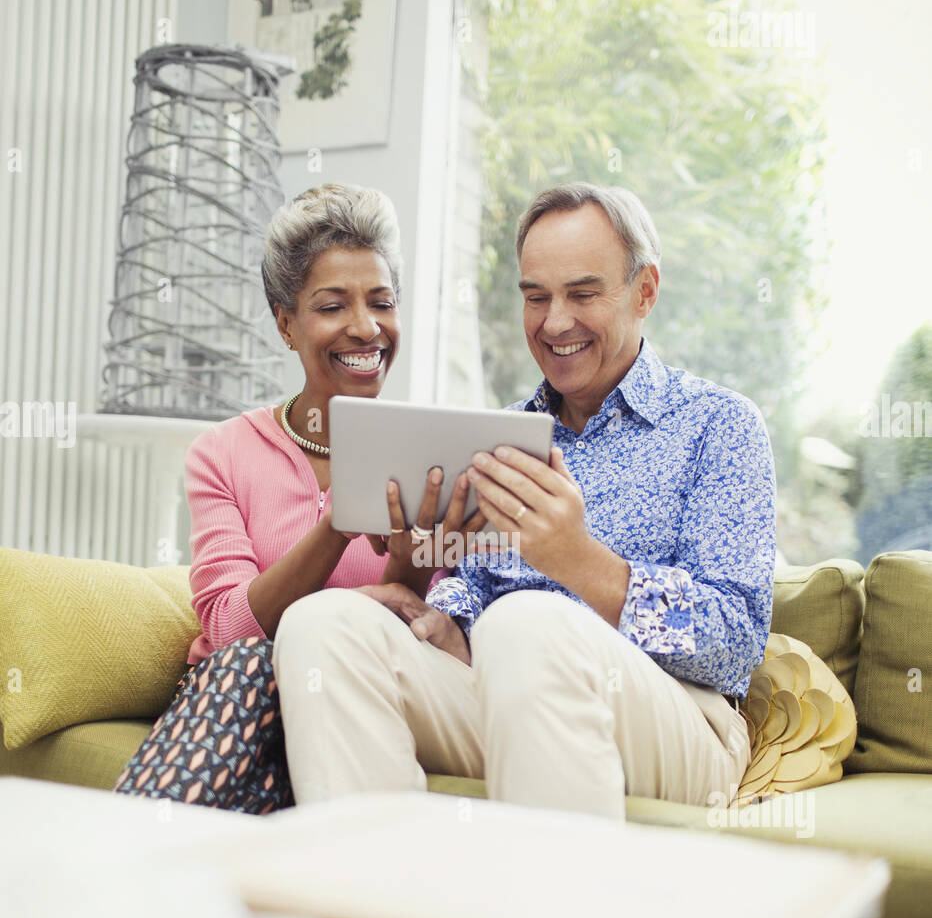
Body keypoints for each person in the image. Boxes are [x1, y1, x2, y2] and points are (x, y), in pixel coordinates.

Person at [270, 183, 777, 820]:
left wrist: (583, 564)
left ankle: (548, 917)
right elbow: (475, 583)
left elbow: (736, 643)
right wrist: (446, 618)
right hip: (509, 692)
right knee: (324, 624)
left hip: (680, 716)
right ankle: (380, 901)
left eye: (583, 293)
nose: (555, 321)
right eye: (536, 297)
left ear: (644, 291)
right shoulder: (505, 433)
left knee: (527, 620)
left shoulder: (719, 425)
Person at [113, 182, 479, 813]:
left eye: (382, 302)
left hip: (352, 695)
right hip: (243, 692)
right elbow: (229, 630)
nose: (366, 328)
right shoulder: (222, 453)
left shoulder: (433, 451)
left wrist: (407, 562)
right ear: (286, 323)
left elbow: (416, 628)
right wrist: (337, 522)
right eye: (333, 306)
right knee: (249, 667)